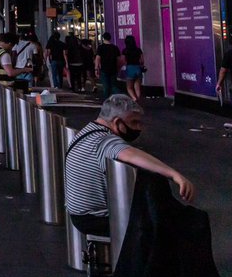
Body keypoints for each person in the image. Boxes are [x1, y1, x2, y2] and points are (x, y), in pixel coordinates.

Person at [64, 94, 195, 237]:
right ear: (117, 122)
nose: (139, 128)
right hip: (98, 219)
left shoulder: (87, 131)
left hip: (79, 214)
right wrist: (175, 175)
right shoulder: (105, 141)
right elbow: (130, 154)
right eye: (134, 122)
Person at [95, 32, 123, 99]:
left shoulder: (101, 47)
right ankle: (118, 97)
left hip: (104, 69)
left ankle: (106, 100)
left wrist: (96, 68)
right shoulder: (115, 47)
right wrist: (118, 68)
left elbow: (98, 59)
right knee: (113, 85)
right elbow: (119, 60)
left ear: (103, 38)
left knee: (106, 86)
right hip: (113, 68)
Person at [123, 34, 145, 103]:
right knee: (137, 87)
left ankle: (134, 98)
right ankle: (138, 100)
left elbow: (124, 61)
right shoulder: (138, 50)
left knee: (129, 87)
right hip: (138, 68)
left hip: (130, 68)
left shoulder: (125, 51)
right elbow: (142, 60)